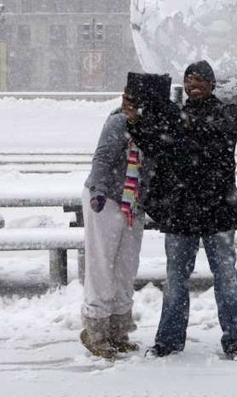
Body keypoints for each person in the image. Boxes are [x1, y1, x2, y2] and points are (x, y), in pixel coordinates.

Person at [132, 60, 237, 361]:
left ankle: (236, 339)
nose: (193, 84)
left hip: (217, 210)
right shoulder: (176, 116)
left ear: (212, 84)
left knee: (226, 278)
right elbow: (152, 143)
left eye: (200, 79)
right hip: (181, 211)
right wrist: (135, 120)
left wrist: (177, 119)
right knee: (175, 280)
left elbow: (219, 134)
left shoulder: (228, 113)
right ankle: (169, 340)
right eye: (188, 79)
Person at [79, 75, 160, 358]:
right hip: (107, 200)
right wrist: (98, 190)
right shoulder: (117, 123)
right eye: (126, 99)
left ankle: (118, 328)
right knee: (101, 264)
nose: (128, 106)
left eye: (134, 100)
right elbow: (101, 158)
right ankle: (95, 329)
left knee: (126, 267)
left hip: (133, 204)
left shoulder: (153, 128)